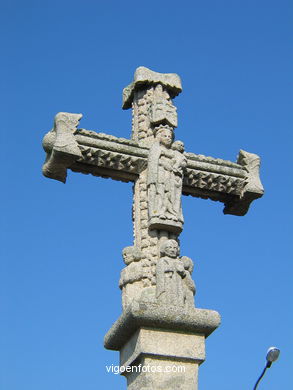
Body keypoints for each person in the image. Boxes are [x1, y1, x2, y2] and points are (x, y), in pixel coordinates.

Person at [156, 239, 185, 306]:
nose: (172, 250)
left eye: (175, 248)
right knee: (168, 295)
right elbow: (159, 272)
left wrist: (181, 270)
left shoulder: (178, 261)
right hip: (167, 282)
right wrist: (168, 269)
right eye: (169, 247)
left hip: (177, 283)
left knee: (178, 294)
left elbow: (183, 273)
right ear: (164, 249)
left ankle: (179, 305)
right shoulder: (163, 260)